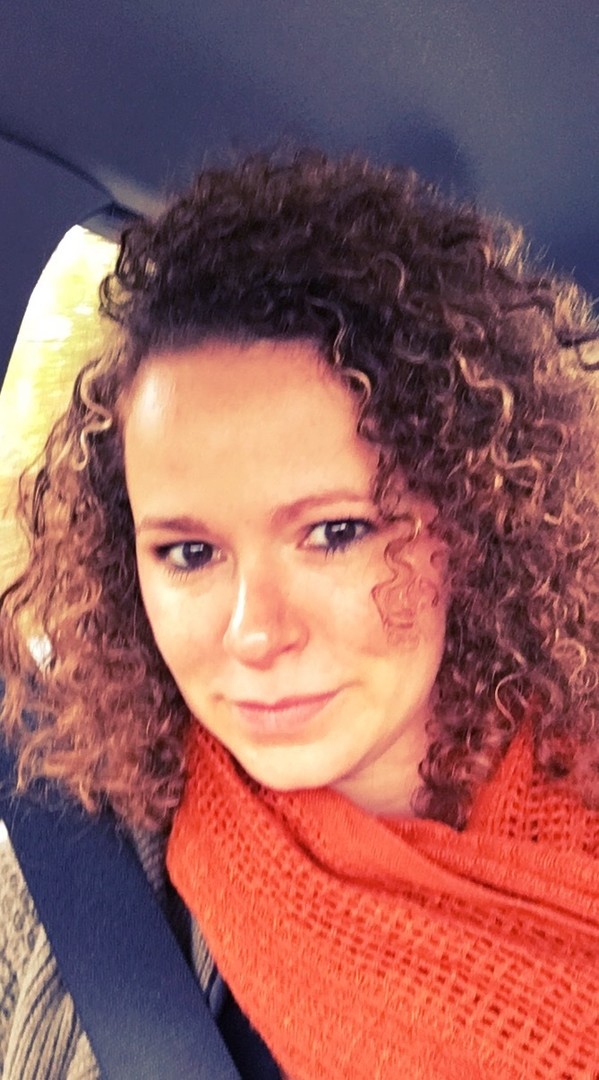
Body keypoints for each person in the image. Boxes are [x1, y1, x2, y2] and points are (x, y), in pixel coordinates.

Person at [1, 149, 598, 1079]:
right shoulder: (65, 867)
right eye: (189, 553)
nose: (254, 632)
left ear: (473, 522)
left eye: (334, 533)